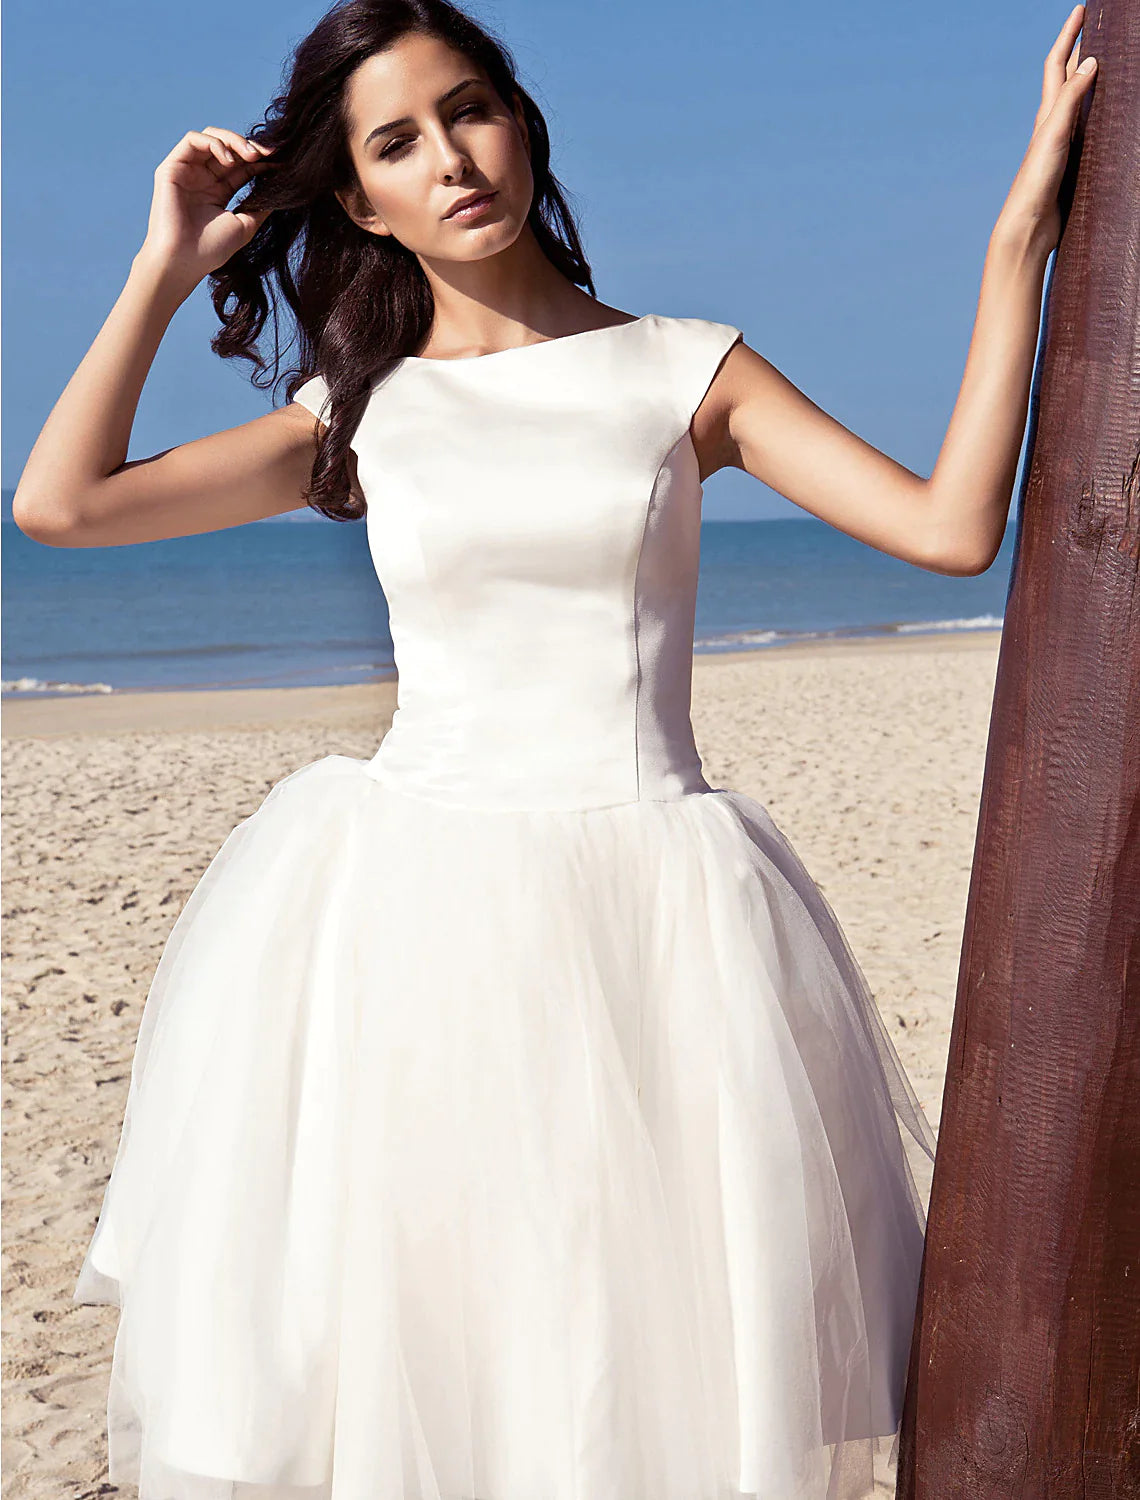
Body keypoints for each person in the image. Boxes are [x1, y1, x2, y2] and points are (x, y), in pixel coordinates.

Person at [13, 1, 1095, 1497]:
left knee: (632, 1384)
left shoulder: (682, 371)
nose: (451, 159)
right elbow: (62, 505)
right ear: (355, 200)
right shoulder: (362, 410)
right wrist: (161, 271)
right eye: (396, 141)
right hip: (406, 925)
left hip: (657, 923)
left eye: (471, 110)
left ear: (523, 120)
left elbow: (950, 527)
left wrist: (1014, 243)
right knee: (435, 1373)